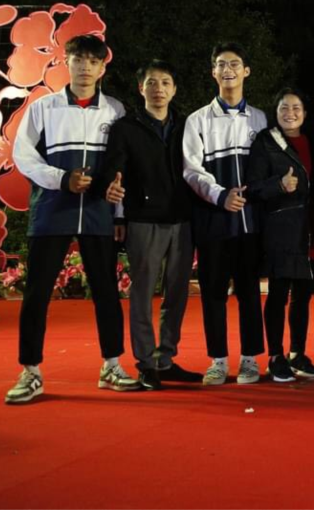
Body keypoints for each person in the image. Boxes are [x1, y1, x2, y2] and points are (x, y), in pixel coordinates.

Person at [5, 34, 139, 404]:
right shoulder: (43, 107)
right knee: (37, 294)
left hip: (98, 215)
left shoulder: (115, 110)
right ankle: (30, 371)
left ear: (102, 67)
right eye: (79, 60)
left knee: (107, 292)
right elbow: (23, 155)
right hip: (51, 212)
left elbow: (121, 167)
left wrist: (119, 212)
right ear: (67, 62)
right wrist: (61, 179)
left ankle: (112, 365)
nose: (85, 68)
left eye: (93, 61)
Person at [98, 59, 202, 390]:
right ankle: (145, 363)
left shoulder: (187, 125)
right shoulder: (125, 128)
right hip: (143, 219)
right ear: (140, 88)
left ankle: (165, 359)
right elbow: (114, 171)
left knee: (177, 293)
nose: (159, 89)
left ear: (174, 89)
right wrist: (118, 213)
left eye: (165, 82)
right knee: (142, 293)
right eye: (152, 83)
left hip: (182, 219)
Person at [183, 43, 268, 386]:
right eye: (221, 64)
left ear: (246, 71)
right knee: (213, 293)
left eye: (235, 64)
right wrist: (220, 196)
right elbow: (191, 170)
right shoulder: (197, 120)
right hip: (213, 222)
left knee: (249, 293)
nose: (228, 69)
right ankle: (217, 360)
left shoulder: (260, 119)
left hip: (251, 224)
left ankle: (250, 360)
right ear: (213, 73)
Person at [246, 88, 314, 383]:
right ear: (275, 112)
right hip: (280, 228)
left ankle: (297, 353)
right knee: (278, 294)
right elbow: (253, 187)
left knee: (303, 295)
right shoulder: (265, 142)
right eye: (284, 108)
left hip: (309, 229)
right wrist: (278, 185)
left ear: (305, 113)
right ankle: (276, 356)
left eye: (296, 108)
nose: (290, 113)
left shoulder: (313, 141)